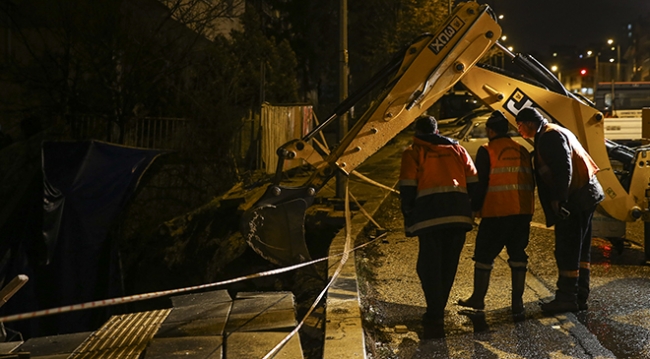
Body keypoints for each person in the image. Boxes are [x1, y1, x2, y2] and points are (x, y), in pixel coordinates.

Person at [515, 107, 604, 314]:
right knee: (581, 250)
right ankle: (579, 296)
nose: (519, 130)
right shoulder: (556, 131)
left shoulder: (549, 137)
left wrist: (559, 199)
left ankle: (566, 298)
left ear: (529, 123)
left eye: (519, 126)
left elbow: (564, 167)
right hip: (586, 195)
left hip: (575, 199)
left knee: (567, 250)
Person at [399, 115, 478, 338]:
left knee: (427, 266)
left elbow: (407, 187)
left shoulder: (413, 152)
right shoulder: (458, 150)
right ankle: (437, 309)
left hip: (429, 217)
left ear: (417, 130)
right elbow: (474, 182)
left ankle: (435, 312)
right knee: (448, 265)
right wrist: (470, 208)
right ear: (437, 130)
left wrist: (408, 214)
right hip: (458, 217)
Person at [458, 110, 535, 319]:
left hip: (497, 212)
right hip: (522, 212)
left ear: (490, 131)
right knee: (518, 255)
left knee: (484, 256)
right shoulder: (523, 150)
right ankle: (517, 303)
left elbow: (481, 183)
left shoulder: (487, 150)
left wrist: (474, 208)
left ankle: (478, 298)